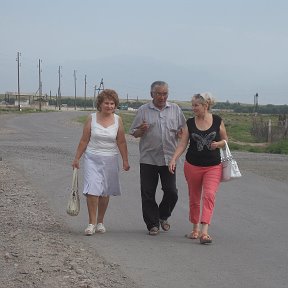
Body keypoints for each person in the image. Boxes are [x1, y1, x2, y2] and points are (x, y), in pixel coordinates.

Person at [169, 92, 228, 244]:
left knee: (209, 195)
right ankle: (195, 229)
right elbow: (183, 144)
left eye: (196, 105)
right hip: (192, 165)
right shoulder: (189, 123)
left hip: (213, 166)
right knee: (194, 198)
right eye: (192, 105)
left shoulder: (217, 120)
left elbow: (225, 141)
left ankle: (204, 232)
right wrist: (174, 159)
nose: (193, 108)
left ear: (205, 105)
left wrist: (218, 144)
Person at [130, 81, 186, 235]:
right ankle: (152, 224)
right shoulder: (143, 110)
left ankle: (163, 215)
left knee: (171, 191)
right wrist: (141, 130)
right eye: (159, 93)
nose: (162, 97)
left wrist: (180, 134)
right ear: (151, 94)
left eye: (165, 93)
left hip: (169, 158)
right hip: (149, 158)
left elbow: (183, 131)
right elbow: (133, 133)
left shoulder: (175, 109)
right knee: (148, 192)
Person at [72, 89, 130, 236]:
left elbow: (121, 141)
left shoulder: (118, 120)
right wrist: (77, 158)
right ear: (100, 104)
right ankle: (91, 223)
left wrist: (125, 160)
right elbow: (84, 140)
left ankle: (100, 222)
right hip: (92, 157)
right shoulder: (91, 118)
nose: (109, 106)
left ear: (115, 105)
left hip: (110, 158)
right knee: (92, 189)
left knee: (104, 192)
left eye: (112, 103)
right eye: (106, 103)